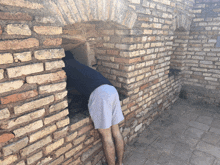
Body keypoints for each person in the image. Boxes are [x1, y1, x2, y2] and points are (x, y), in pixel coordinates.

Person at [62, 51, 125, 165]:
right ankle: (120, 163)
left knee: (107, 137)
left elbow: (68, 89)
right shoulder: (79, 65)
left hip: (100, 95)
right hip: (111, 90)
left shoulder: (66, 68)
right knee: (116, 132)